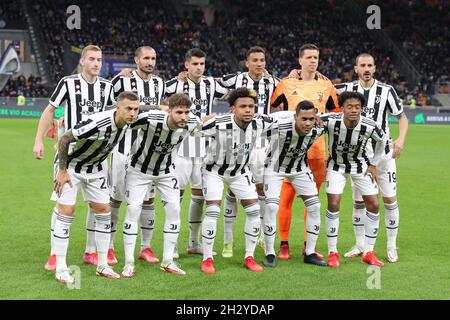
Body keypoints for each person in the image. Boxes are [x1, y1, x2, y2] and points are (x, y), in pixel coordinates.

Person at [33, 45, 115, 271]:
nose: (96, 63)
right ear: (82, 61)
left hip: (96, 157)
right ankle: (54, 255)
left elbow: (116, 112)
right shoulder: (68, 83)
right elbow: (50, 110)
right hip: (69, 155)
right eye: (92, 59)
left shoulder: (107, 87)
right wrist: (38, 140)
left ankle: (91, 252)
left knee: (98, 206)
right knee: (64, 207)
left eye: (99, 59)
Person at [52, 91, 140, 284]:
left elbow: (143, 110)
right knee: (67, 210)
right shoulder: (97, 123)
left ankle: (102, 265)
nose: (133, 113)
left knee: (103, 211)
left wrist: (159, 107)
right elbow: (65, 139)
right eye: (128, 109)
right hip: (71, 167)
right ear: (118, 108)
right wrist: (63, 171)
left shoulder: (128, 120)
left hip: (96, 169)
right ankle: (60, 268)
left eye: (136, 109)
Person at [334, 53, 408, 262]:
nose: (366, 69)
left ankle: (391, 246)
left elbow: (402, 117)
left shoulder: (387, 91)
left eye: (370, 65)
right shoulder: (347, 90)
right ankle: (360, 245)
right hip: (359, 157)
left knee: (389, 200)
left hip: (383, 155)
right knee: (359, 203)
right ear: (355, 68)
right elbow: (321, 86)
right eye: (362, 65)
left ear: (375, 68)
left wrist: (400, 140)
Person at [121, 93, 203, 277]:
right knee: (133, 210)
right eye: (179, 112)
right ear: (170, 111)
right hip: (139, 171)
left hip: (166, 172)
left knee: (174, 210)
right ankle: (128, 263)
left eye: (187, 112)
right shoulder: (151, 119)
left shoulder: (192, 122)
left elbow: (207, 124)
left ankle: (168, 261)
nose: (184, 117)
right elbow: (124, 121)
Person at [271, 44, 340, 260]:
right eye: (309, 57)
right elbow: (272, 109)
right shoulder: (285, 83)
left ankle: (307, 244)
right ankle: (283, 244)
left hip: (317, 151)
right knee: (286, 199)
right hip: (290, 151)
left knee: (312, 200)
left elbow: (335, 113)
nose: (313, 61)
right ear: (299, 60)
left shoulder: (326, 85)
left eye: (316, 57)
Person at [197, 87, 275, 274]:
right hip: (214, 171)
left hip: (240, 172)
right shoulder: (217, 123)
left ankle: (249, 257)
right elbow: (193, 130)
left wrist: (317, 116)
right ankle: (207, 259)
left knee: (255, 210)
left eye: (251, 106)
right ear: (233, 108)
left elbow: (285, 118)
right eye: (243, 107)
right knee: (213, 210)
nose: (248, 110)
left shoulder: (260, 123)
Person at [218, 46, 280, 258]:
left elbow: (290, 90)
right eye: (255, 60)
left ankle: (260, 234)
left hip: (262, 140)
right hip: (236, 138)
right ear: (247, 62)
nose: (259, 64)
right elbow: (210, 85)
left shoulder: (273, 82)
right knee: (233, 189)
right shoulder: (234, 80)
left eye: (262, 60)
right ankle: (228, 240)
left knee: (261, 188)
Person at [165, 48, 227, 256]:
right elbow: (154, 94)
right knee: (177, 195)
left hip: (204, 146)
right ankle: (172, 244)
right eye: (195, 64)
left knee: (200, 195)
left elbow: (235, 86)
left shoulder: (211, 84)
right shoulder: (175, 84)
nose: (199, 68)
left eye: (202, 64)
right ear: (186, 65)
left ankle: (193, 242)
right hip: (181, 147)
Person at [108, 46, 166, 265]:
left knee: (148, 199)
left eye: (153, 58)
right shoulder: (123, 81)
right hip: (123, 148)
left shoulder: (160, 83)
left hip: (148, 150)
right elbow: (109, 104)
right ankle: (110, 247)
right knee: (116, 198)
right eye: (146, 58)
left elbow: (165, 108)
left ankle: (146, 247)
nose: (150, 62)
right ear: (136, 60)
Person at [321, 91, 387, 268]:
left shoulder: (369, 125)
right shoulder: (331, 120)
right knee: (333, 203)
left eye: (357, 107)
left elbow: (383, 141)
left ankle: (369, 252)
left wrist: (374, 164)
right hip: (336, 166)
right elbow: (313, 121)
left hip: (361, 167)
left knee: (373, 204)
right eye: (349, 106)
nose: (353, 110)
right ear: (342, 108)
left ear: (361, 108)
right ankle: (332, 252)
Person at [262, 101, 327, 267]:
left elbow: (337, 118)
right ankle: (269, 252)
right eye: (303, 118)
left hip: (299, 168)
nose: (307, 123)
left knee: (314, 206)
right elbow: (256, 125)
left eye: (311, 119)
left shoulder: (319, 127)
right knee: (271, 207)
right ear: (295, 117)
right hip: (274, 168)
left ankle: (310, 252)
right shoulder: (278, 125)